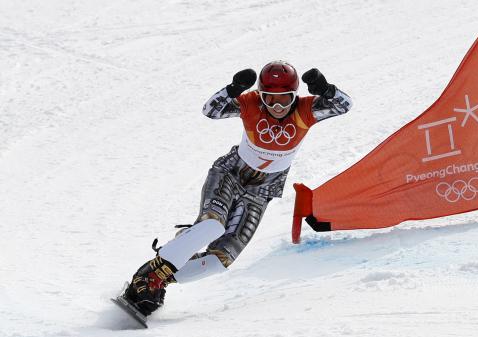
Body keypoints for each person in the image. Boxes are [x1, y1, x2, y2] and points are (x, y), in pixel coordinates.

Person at [121, 60, 353, 316]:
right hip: (230, 175)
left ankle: (161, 281)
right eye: (270, 99)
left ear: (295, 96)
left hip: (261, 192)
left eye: (285, 99)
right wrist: (233, 89)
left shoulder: (305, 110)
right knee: (212, 225)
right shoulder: (251, 103)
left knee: (220, 260)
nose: (277, 107)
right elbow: (211, 111)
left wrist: (325, 89)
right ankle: (145, 277)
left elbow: (344, 105)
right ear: (260, 95)